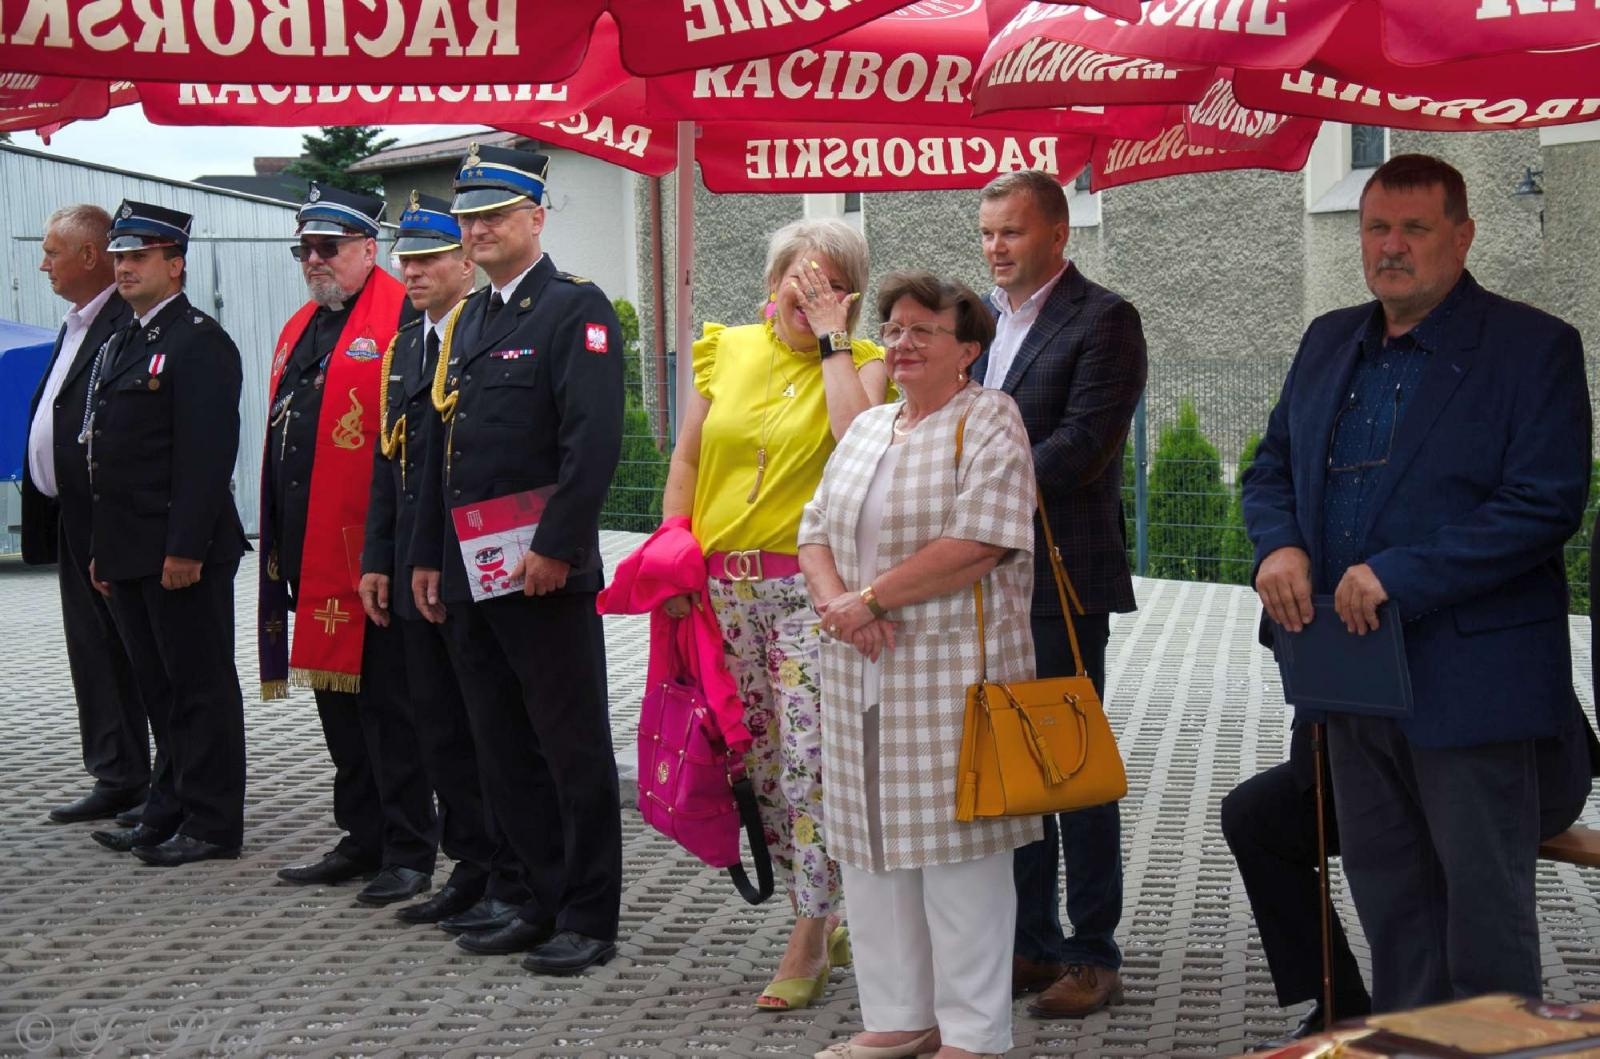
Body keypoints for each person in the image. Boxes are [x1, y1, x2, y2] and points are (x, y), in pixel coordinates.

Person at [1242, 153, 1592, 1012]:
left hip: (1472, 683)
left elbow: (1543, 503)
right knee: (1392, 901)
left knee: (1483, 917)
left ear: (1463, 236)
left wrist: (1398, 574)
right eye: (1376, 228)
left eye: (1414, 228)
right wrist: (1277, 547)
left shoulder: (1533, 346)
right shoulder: (1329, 338)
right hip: (1352, 679)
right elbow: (1273, 468)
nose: (1391, 247)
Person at [798, 271, 1039, 1059]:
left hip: (952, 673)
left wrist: (868, 599)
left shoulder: (990, 420)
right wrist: (840, 603)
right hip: (857, 666)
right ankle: (899, 1015)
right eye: (894, 328)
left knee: (958, 854)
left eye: (921, 331)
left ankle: (973, 1032)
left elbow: (981, 541)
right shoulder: (869, 428)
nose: (899, 343)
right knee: (868, 844)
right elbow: (815, 529)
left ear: (967, 349)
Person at [659, 217, 888, 1009]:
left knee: (809, 762)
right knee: (757, 762)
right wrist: (674, 552)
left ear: (849, 294)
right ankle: (825, 904)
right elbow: (688, 458)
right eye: (797, 278)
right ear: (773, 280)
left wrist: (831, 340)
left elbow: (856, 441)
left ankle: (808, 930)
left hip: (809, 595)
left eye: (826, 283)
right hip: (725, 590)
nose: (808, 293)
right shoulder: (725, 347)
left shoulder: (865, 366)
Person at [409, 143, 624, 975]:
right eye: (469, 218)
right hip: (472, 570)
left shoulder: (575, 309)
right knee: (500, 744)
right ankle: (533, 897)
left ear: (537, 217)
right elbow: (443, 445)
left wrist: (555, 548)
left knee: (569, 746)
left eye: (496, 214)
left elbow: (592, 443)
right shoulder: (476, 316)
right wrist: (428, 555)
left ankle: (589, 913)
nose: (479, 229)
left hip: (543, 571)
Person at [973, 169, 1146, 1018]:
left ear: (1057, 235)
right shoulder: (978, 322)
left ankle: (1094, 951)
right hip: (982, 578)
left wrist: (970, 488)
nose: (996, 249)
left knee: (1069, 765)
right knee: (1013, 768)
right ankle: (1032, 944)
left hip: (1061, 577)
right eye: (987, 234)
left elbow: (1083, 444)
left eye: (1011, 232)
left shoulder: (1104, 320)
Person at [263, 183, 438, 900]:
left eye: (328, 247)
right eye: (305, 247)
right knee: (338, 703)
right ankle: (361, 833)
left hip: (376, 552)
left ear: (370, 248)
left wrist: (391, 550)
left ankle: (409, 846)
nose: (314, 259)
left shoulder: (402, 316)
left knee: (388, 707)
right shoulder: (304, 324)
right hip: (310, 547)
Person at [1228, 711, 1597, 1049]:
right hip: (1364, 735)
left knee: (1474, 910)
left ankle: (1485, 1037)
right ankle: (1346, 1010)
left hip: (1482, 733)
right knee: (1254, 816)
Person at [358, 192, 525, 922]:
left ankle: (501, 865)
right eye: (405, 260)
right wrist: (378, 556)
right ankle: (469, 861)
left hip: (471, 558)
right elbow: (390, 462)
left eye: (426, 259)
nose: (412, 272)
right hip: (414, 558)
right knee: (436, 723)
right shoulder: (405, 344)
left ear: (464, 260)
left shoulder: (478, 332)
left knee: (481, 722)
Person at [78, 201, 248, 866]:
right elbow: (108, 453)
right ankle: (168, 806)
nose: (123, 266)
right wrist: (105, 551)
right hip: (129, 549)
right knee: (159, 689)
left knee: (199, 687)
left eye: (138, 256)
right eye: (119, 256)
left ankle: (212, 821)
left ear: (175, 264)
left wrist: (184, 547)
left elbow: (205, 457)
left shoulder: (198, 340)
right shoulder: (126, 338)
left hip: (182, 551)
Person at [22, 204, 147, 826]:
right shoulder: (76, 323)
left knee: (133, 650)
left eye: (52, 251)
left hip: (114, 516)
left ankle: (157, 780)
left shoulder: (124, 324)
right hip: (70, 512)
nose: (43, 263)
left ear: (89, 256)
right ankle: (118, 772)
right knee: (93, 651)